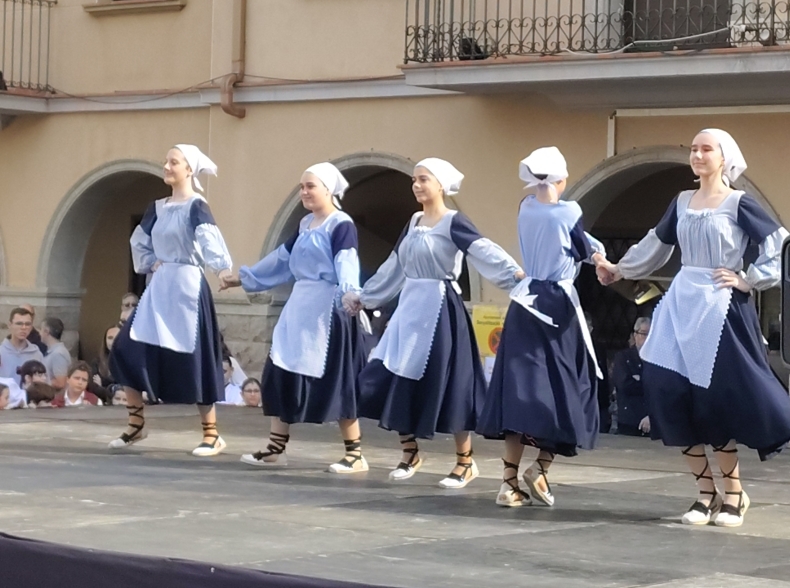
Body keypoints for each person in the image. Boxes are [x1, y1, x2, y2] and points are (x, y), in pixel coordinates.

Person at [598, 129, 790, 528]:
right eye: (693, 149)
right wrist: (619, 269)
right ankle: (706, 492)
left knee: (713, 399)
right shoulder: (680, 202)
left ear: (724, 157)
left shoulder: (739, 203)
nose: (697, 154)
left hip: (720, 305)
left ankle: (734, 493)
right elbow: (655, 245)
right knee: (668, 390)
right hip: (681, 302)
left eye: (706, 148)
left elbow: (781, 245)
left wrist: (749, 279)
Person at [342, 158, 523, 488]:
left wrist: (514, 274)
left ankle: (465, 462)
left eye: (423, 179)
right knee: (392, 374)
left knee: (451, 382)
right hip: (409, 307)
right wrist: (366, 297)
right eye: (414, 179)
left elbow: (483, 250)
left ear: (441, 184)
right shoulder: (413, 221)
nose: (416, 185)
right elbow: (395, 264)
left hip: (440, 308)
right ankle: (410, 452)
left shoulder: (454, 221)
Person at [478, 147, 607, 507]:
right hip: (556, 306)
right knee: (569, 387)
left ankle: (508, 482)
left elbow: (571, 238)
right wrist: (602, 259)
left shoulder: (525, 207)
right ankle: (540, 467)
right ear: (562, 178)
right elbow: (581, 245)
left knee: (518, 389)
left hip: (525, 302)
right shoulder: (570, 211)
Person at [224, 163, 371, 472]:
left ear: (328, 189)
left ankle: (355, 454)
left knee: (336, 379)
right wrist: (244, 278)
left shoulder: (340, 224)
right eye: (302, 186)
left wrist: (349, 292)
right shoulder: (305, 224)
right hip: (299, 308)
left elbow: (346, 259)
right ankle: (276, 449)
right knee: (281, 373)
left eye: (310, 186)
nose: (304, 191)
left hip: (328, 311)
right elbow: (281, 259)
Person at [108, 144, 234, 457]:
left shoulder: (196, 206)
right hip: (160, 286)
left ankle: (212, 434)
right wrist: (151, 262)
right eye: (166, 161)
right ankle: (136, 424)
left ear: (189, 169)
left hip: (188, 286)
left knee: (196, 357)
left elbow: (208, 237)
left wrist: (222, 269)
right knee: (125, 348)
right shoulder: (157, 207)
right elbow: (139, 240)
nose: (166, 166)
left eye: (173, 162)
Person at [613, 317, 650, 436]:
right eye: (644, 333)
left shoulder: (658, 360)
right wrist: (647, 385)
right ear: (635, 335)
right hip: (629, 421)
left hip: (651, 421)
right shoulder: (623, 357)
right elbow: (624, 385)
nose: (647, 338)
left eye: (651, 334)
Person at [1, 307, 46, 379]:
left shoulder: (36, 354)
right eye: (19, 323)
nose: (23, 327)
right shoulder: (1, 352)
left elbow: (45, 382)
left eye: (27, 324)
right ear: (10, 325)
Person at [40, 317, 72, 390]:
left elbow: (61, 383)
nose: (40, 333)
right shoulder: (53, 352)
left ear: (46, 331)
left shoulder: (58, 354)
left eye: (41, 329)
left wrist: (40, 381)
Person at [89, 325, 119, 401]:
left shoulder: (129, 362)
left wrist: (102, 387)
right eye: (110, 338)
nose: (113, 341)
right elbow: (94, 388)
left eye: (117, 337)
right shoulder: (96, 362)